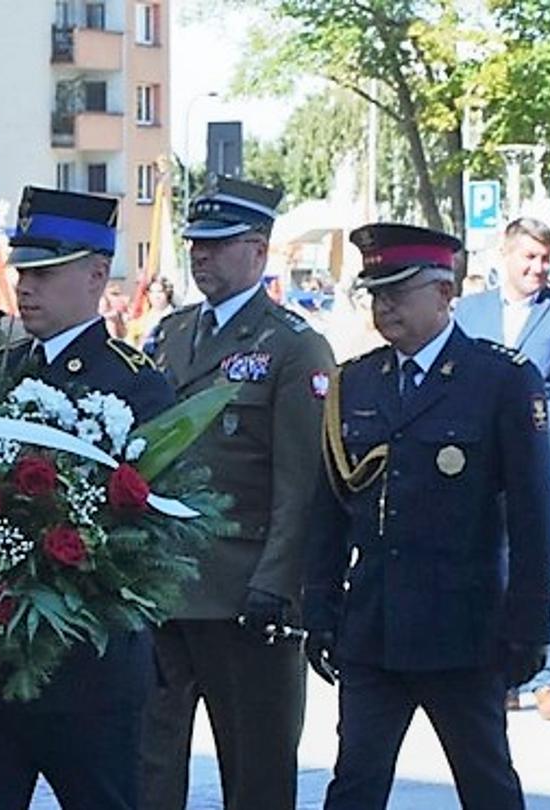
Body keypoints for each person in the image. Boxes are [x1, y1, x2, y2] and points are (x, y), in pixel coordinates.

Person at [0, 187, 174, 809]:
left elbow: (150, 527)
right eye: (21, 270)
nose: (25, 285)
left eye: (44, 271)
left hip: (87, 672)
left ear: (96, 275)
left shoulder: (135, 384)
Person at [303, 222, 550, 809]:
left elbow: (534, 518)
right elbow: (330, 508)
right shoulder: (358, 380)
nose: (384, 305)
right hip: (373, 627)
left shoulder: (500, 380)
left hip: (463, 630)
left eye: (399, 290)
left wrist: (529, 626)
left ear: (446, 293)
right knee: (354, 787)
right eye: (376, 293)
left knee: (487, 784)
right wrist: (319, 604)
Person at [139, 177, 335, 810]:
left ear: (258, 249)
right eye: (196, 243)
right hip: (165, 585)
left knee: (256, 774)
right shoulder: (168, 334)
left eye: (218, 245)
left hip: (244, 593)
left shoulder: (293, 345)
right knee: (148, 768)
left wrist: (278, 583)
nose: (201, 256)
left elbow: (302, 483)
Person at [454, 216, 550, 720]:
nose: (537, 268)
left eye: (543, 260)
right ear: (505, 256)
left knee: (538, 567)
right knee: (489, 565)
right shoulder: (469, 313)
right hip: (475, 469)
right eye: (528, 258)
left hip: (541, 465)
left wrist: (521, 439)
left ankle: (545, 676)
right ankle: (498, 672)